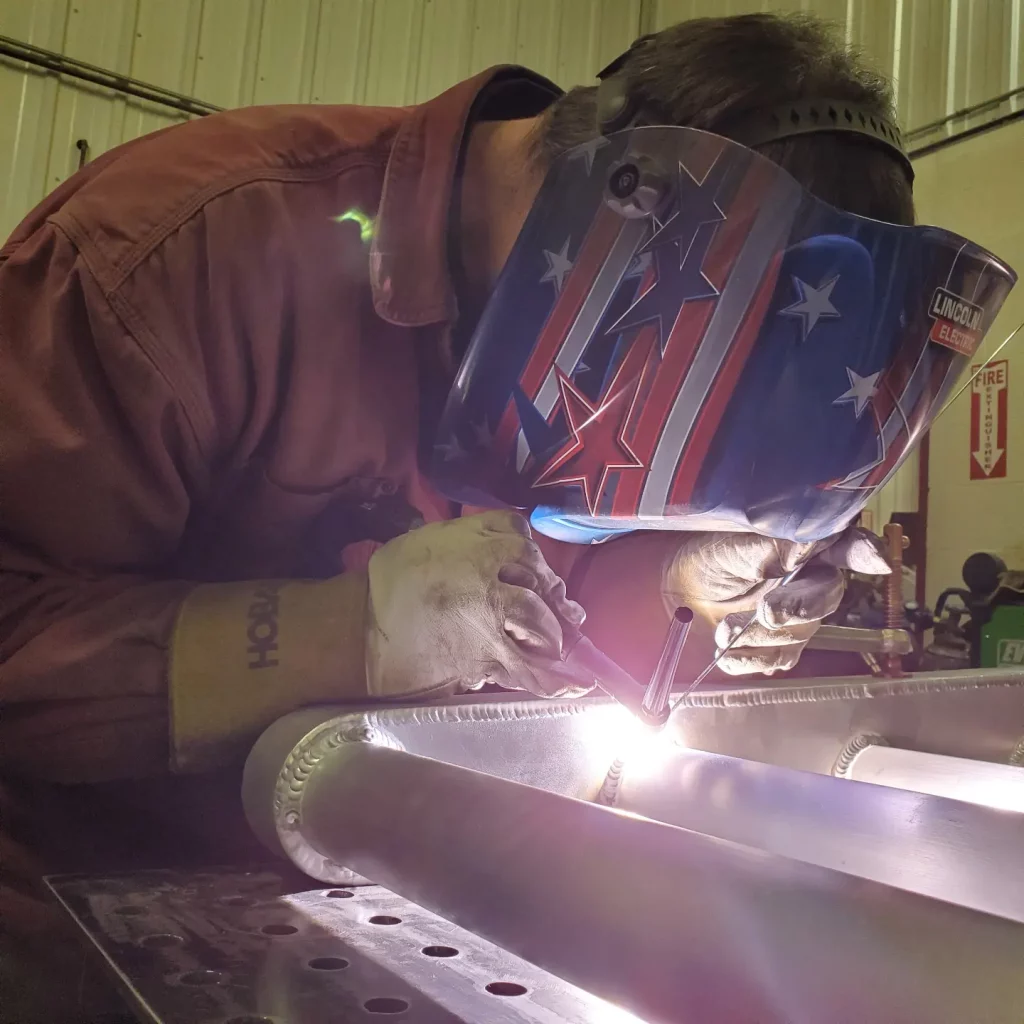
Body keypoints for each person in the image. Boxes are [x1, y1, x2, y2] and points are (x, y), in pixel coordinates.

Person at [0, 12, 1015, 1020]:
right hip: (80, 918)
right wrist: (342, 635)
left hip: (373, 882)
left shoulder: (606, 330)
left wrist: (675, 579)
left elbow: (541, 600)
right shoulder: (176, 254)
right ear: (631, 215)